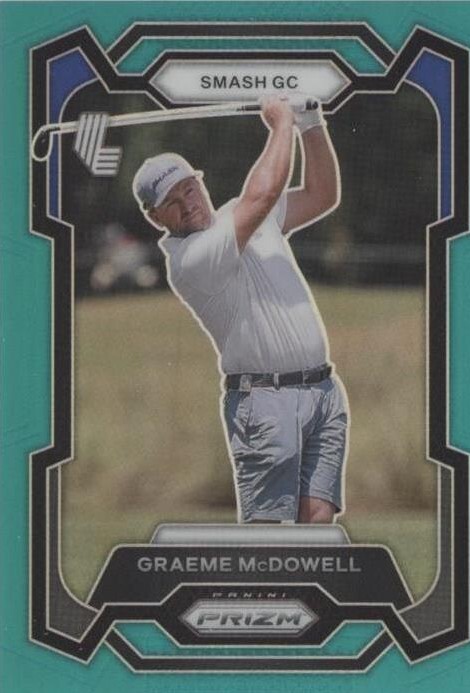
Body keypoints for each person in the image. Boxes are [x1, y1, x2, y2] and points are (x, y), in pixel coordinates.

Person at [133, 95, 349, 525]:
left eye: (189, 188)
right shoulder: (190, 259)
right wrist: (281, 123)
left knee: (318, 525)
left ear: (201, 181)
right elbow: (263, 194)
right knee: (267, 538)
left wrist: (310, 123)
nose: (188, 203)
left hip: (322, 392)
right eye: (173, 201)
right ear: (156, 217)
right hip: (263, 402)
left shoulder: (243, 213)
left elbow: (322, 195)